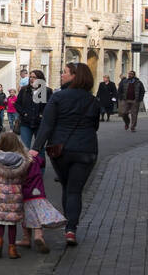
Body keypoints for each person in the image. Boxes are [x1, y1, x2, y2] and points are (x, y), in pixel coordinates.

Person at [29, 61, 101, 247]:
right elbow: (95, 126)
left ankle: (68, 225)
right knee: (75, 191)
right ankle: (71, 229)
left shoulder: (59, 97)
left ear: (75, 76)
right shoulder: (92, 100)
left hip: (61, 149)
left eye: (65, 72)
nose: (61, 75)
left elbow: (47, 125)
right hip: (86, 149)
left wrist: (35, 148)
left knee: (66, 186)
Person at [20, 150, 66, 253]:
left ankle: (26, 239)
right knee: (39, 215)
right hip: (38, 193)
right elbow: (43, 162)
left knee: (27, 216)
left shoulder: (18, 163)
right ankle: (38, 236)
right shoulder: (35, 160)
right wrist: (34, 156)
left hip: (25, 195)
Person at [15, 69, 50, 150]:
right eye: (30, 77)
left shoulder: (46, 91)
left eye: (34, 77)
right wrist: (24, 113)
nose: (31, 79)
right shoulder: (24, 90)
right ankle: (26, 163)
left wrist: (42, 114)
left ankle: (40, 162)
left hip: (40, 124)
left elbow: (49, 107)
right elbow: (17, 104)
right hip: (26, 123)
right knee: (25, 148)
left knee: (39, 149)